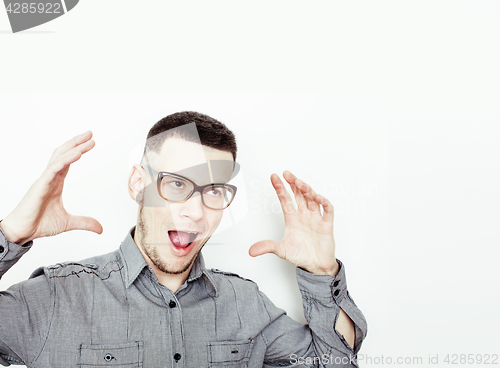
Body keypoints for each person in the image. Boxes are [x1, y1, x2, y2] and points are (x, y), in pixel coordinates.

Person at [0, 111, 367, 367]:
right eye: (177, 184)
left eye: (214, 190)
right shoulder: (54, 298)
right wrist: (10, 233)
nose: (196, 212)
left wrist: (321, 274)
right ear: (137, 184)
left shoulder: (245, 303)